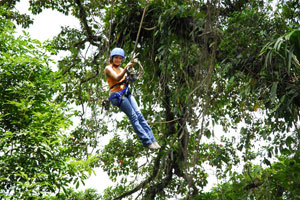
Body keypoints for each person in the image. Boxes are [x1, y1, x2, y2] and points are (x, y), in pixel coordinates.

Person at [104, 47, 161, 150]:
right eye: (116, 57)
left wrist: (131, 77)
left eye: (120, 58)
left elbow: (126, 81)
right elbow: (116, 78)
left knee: (139, 115)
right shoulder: (108, 68)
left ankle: (152, 139)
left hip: (126, 93)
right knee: (133, 116)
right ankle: (146, 141)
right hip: (117, 95)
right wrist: (126, 68)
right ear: (112, 58)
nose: (118, 60)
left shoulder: (122, 69)